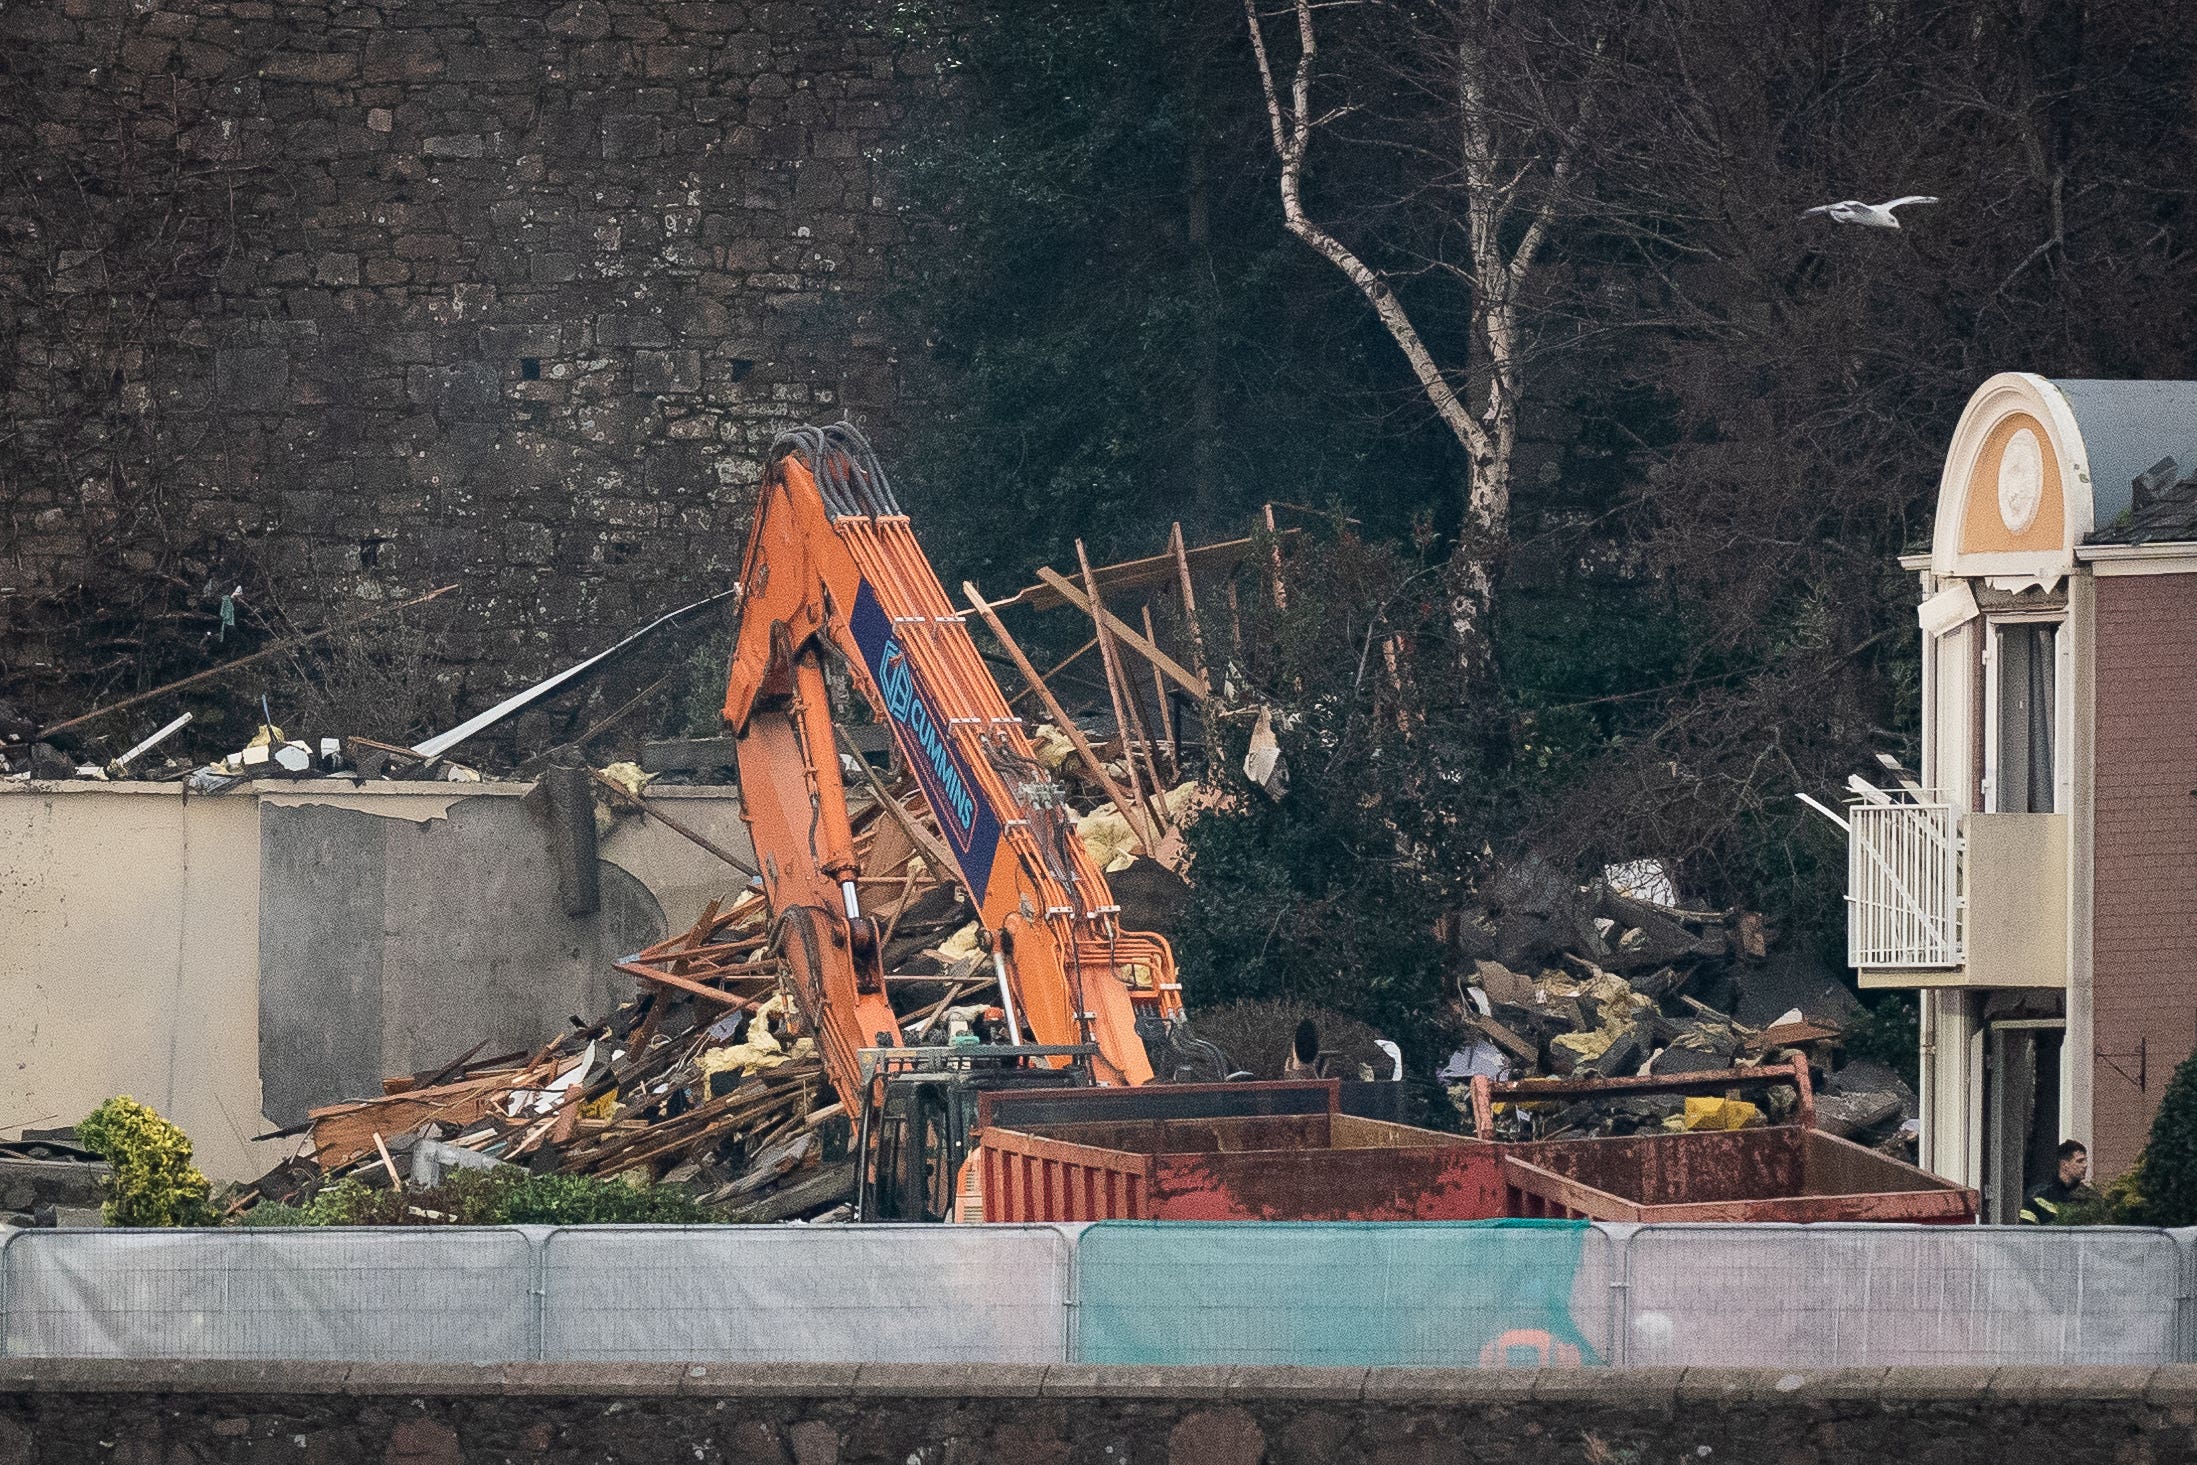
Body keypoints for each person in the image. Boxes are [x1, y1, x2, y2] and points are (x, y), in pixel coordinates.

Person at [2018, 1140, 2092, 1225]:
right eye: (2080, 1161)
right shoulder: (2037, 1195)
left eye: (2085, 1161)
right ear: (2064, 1165)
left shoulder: (2089, 1197)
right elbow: (2026, 1232)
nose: (2085, 1165)